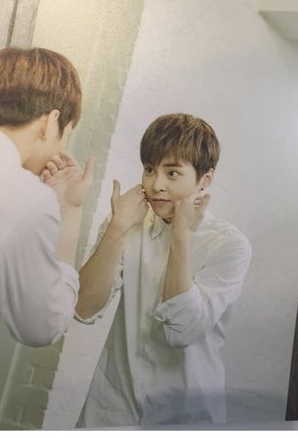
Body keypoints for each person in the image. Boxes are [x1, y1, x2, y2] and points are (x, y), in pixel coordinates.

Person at [71, 113, 251, 427]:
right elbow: (83, 307)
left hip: (187, 416)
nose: (156, 185)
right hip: (112, 410)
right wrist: (117, 228)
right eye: (150, 169)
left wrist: (181, 235)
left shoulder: (230, 245)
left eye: (172, 173)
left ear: (204, 180)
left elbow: (182, 332)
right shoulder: (127, 221)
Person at [0, 46, 94, 407]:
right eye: (66, 133)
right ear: (50, 122)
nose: (62, 147)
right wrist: (69, 209)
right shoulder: (25, 196)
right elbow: (40, 326)